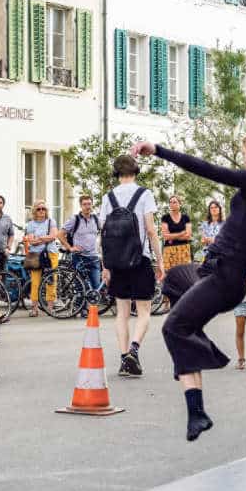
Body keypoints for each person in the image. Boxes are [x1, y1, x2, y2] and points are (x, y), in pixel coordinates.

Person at [130, 122, 246, 441]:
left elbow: (204, 168)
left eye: (245, 153)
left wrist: (158, 150)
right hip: (216, 272)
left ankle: (197, 412)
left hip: (225, 278)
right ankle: (195, 333)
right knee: (174, 277)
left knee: (174, 328)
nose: (243, 159)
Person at [98, 154, 165, 378]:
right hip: (140, 259)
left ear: (116, 173)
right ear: (136, 171)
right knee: (144, 311)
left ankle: (123, 356)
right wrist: (160, 261)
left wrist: (105, 266)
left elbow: (103, 234)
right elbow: (151, 231)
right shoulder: (144, 194)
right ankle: (134, 351)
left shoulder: (108, 198)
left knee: (122, 312)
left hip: (116, 262)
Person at [21, 200, 59, 317]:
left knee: (51, 280)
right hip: (35, 255)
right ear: (34, 211)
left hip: (50, 253)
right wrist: (45, 238)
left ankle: (50, 307)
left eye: (44, 209)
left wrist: (39, 238)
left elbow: (53, 236)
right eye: (39, 209)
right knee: (35, 282)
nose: (41, 211)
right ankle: (34, 308)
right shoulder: (31, 224)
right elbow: (31, 240)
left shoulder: (51, 221)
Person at [60, 193, 103, 296]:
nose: (87, 206)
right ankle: (81, 310)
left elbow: (104, 234)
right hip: (79, 257)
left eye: (89, 204)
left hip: (93, 257)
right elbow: (60, 234)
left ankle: (93, 311)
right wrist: (70, 248)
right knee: (80, 287)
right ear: (81, 205)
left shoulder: (96, 219)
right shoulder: (75, 219)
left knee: (95, 288)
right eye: (85, 204)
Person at [159, 195, 193, 274]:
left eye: (174, 202)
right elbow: (165, 236)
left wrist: (172, 237)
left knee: (184, 275)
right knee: (169, 275)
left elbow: (188, 235)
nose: (172, 204)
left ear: (180, 204)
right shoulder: (165, 217)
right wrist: (181, 233)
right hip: (169, 250)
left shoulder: (185, 217)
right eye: (170, 202)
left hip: (184, 249)